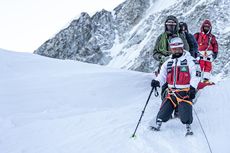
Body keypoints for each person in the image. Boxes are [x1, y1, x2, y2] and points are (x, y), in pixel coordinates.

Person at [150, 37, 201, 134]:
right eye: (174, 49)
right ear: (171, 49)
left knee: (185, 115)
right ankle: (158, 124)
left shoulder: (190, 60)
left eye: (178, 48)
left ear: (182, 48)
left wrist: (193, 87)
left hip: (185, 92)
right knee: (164, 111)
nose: (176, 51)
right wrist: (157, 82)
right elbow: (162, 76)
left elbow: (196, 74)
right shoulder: (168, 62)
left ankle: (188, 128)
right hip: (171, 93)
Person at [194, 19, 218, 84]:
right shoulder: (197, 35)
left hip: (209, 54)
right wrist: (194, 52)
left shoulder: (212, 37)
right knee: (199, 66)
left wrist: (215, 52)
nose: (206, 28)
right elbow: (193, 43)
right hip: (200, 53)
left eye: (208, 27)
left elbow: (215, 45)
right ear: (202, 27)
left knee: (208, 67)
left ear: (210, 28)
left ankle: (206, 79)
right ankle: (198, 79)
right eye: (205, 27)